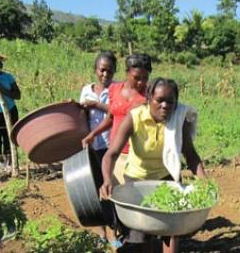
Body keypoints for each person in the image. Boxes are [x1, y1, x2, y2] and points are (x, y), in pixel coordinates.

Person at [98, 77, 207, 253]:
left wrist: (204, 183)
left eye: (170, 102)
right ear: (149, 99)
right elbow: (111, 154)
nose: (165, 106)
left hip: (167, 179)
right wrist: (106, 179)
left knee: (171, 231)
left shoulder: (179, 118)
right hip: (137, 182)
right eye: (159, 100)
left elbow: (191, 155)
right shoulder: (135, 117)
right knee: (141, 236)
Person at [82, 53, 151, 186]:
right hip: (115, 154)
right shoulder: (115, 89)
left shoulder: (149, 95)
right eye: (136, 78)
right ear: (127, 73)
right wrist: (93, 134)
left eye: (145, 78)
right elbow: (111, 118)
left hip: (137, 156)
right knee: (116, 193)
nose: (141, 82)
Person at [79, 51, 117, 247]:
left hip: (110, 145)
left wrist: (96, 104)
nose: (105, 74)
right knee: (93, 187)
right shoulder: (86, 89)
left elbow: (116, 113)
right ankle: (99, 231)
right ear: (96, 70)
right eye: (102, 70)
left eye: (109, 70)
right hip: (89, 145)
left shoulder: (117, 90)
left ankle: (112, 233)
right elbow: (81, 116)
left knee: (108, 188)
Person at [0, 54, 21, 173]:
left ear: (1, 65)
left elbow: (18, 95)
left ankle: (10, 163)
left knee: (9, 138)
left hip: (9, 110)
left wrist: (3, 90)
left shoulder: (8, 77)